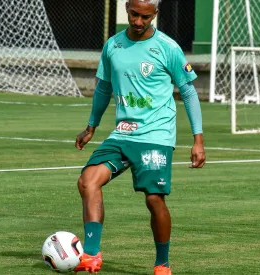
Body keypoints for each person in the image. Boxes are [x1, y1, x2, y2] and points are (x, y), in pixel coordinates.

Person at [73, 0, 205, 274]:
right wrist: (91, 127)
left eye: (145, 17)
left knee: (154, 199)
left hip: (155, 134)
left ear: (155, 14)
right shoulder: (113, 46)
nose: (138, 21)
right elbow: (104, 88)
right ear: (126, 9)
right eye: (134, 14)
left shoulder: (167, 48)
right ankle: (91, 255)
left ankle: (162, 264)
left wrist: (198, 140)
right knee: (87, 182)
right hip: (123, 133)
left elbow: (189, 92)